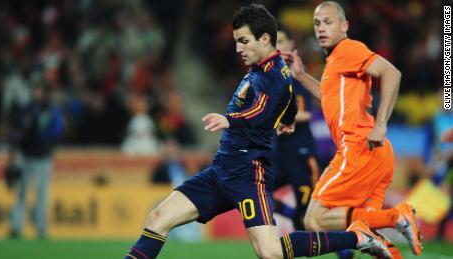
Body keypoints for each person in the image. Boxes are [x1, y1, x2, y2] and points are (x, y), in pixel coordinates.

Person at [124, 4, 392, 259]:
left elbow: (261, 108)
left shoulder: (274, 73)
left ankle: (357, 238)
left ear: (265, 38)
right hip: (221, 170)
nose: (238, 48)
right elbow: (283, 102)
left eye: (244, 41)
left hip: (249, 173)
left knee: (270, 252)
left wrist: (230, 120)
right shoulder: (262, 70)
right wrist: (287, 119)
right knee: (158, 218)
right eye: (236, 41)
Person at [281, 1, 421, 256]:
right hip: (377, 154)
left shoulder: (347, 49)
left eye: (328, 21)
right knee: (368, 232)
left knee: (315, 219)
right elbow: (329, 98)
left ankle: (396, 217)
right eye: (317, 23)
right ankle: (391, 226)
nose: (321, 28)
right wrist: (301, 76)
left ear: (345, 25)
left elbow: (392, 74)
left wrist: (381, 124)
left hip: (358, 146)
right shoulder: (336, 60)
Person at [272, 24, 320, 231]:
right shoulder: (270, 75)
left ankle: (345, 252)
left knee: (309, 218)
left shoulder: (297, 76)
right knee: (254, 192)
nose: (277, 48)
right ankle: (291, 214)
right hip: (278, 154)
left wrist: (273, 117)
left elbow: (306, 113)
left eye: (281, 42)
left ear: (291, 44)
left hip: (301, 153)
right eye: (273, 44)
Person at [8, 82, 64, 238]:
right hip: (26, 156)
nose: (35, 92)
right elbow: (17, 131)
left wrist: (50, 147)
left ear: (44, 92)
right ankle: (16, 226)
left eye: (38, 89)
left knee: (41, 194)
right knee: (21, 192)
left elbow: (58, 132)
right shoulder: (28, 109)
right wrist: (14, 149)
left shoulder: (51, 110)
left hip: (43, 157)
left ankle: (41, 228)